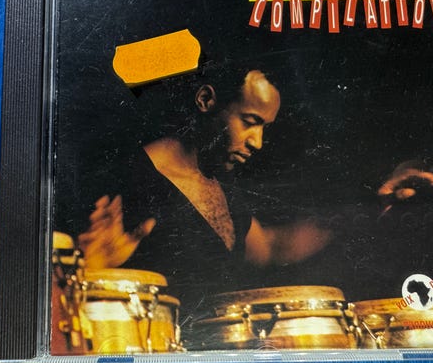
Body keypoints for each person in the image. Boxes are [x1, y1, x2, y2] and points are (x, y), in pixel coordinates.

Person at [78, 63, 333, 323]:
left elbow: (270, 246)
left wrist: (347, 219)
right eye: (249, 122)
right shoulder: (130, 179)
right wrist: (92, 266)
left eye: (264, 127)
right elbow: (79, 280)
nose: (257, 142)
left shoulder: (218, 179)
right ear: (205, 100)